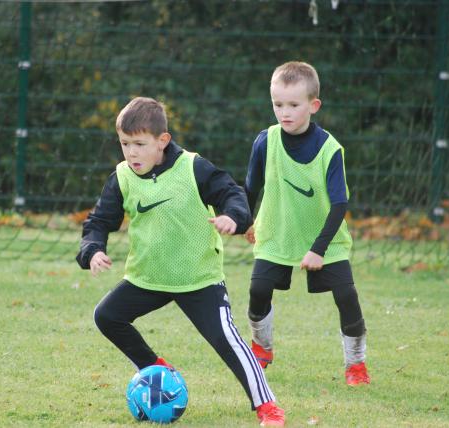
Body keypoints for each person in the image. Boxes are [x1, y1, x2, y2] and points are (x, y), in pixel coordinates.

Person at [76, 97, 285, 426]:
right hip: (148, 278)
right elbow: (99, 221)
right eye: (125, 144)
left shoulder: (193, 167)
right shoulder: (122, 177)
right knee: (106, 316)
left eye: (140, 144)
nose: (131, 153)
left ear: (163, 141)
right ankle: (156, 367)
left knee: (226, 340)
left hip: (198, 279)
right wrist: (93, 250)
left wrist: (234, 217)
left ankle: (267, 406)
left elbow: (230, 192)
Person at [244, 61, 370, 386]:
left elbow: (340, 203)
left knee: (346, 296)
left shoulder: (330, 149)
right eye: (277, 104)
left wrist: (318, 249)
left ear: (313, 105)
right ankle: (262, 346)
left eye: (293, 105)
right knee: (258, 289)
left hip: (325, 240)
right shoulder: (265, 141)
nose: (284, 112)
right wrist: (245, 218)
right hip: (277, 232)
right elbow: (250, 186)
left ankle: (356, 365)